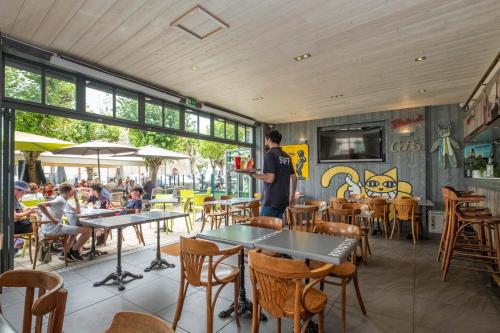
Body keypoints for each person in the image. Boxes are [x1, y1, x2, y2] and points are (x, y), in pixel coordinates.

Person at [249, 130, 297, 218]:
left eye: (265, 139)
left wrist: (252, 174)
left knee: (264, 230)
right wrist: (292, 197)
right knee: (276, 229)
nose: (264, 141)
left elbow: (270, 178)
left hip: (271, 201)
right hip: (283, 200)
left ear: (269, 139)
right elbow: (294, 177)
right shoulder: (286, 156)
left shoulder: (269, 154)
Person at [37, 183, 91, 262]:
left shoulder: (64, 200)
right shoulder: (60, 200)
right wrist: (52, 219)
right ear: (69, 191)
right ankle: (74, 251)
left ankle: (66, 253)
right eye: (73, 190)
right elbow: (40, 205)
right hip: (53, 229)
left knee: (74, 229)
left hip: (52, 227)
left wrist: (76, 198)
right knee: (88, 230)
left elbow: (78, 211)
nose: (75, 191)